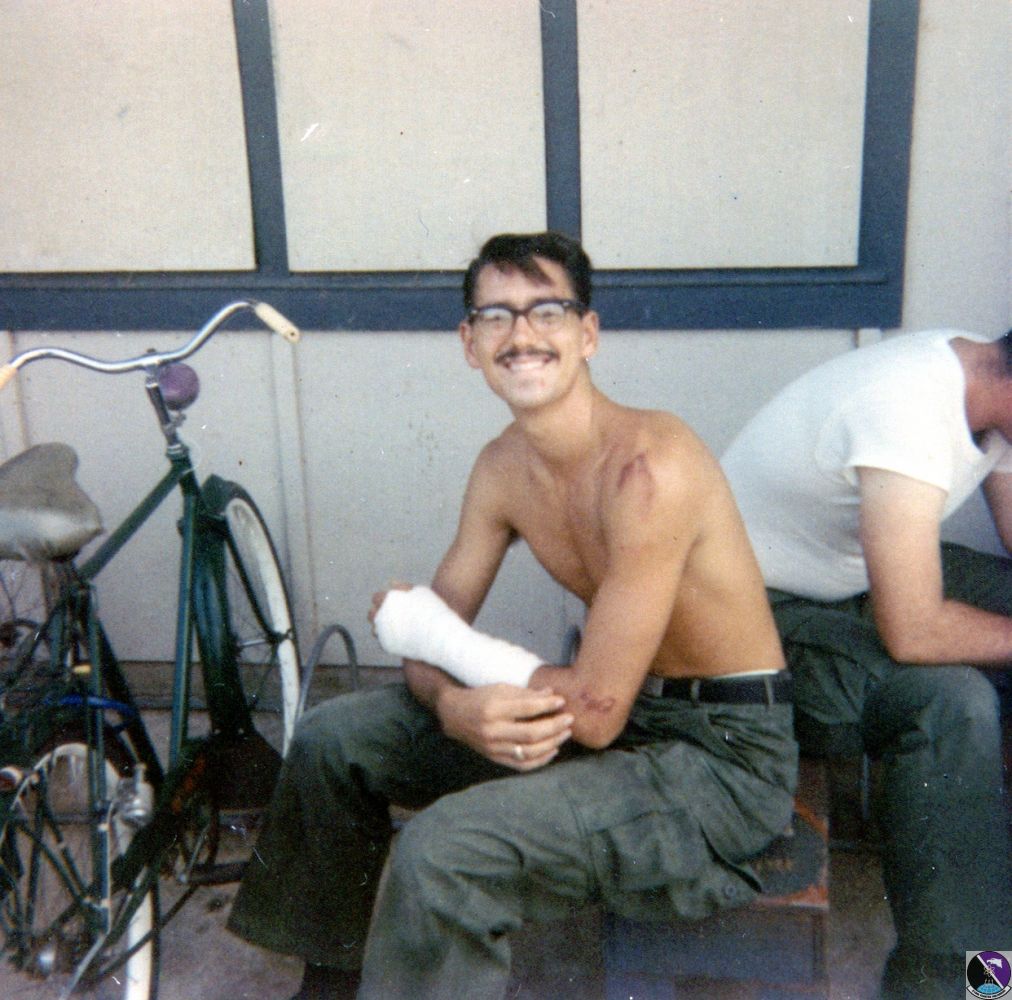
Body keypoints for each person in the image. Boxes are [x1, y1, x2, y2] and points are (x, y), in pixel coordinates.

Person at [228, 232, 797, 1000]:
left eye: (546, 311)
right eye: (496, 316)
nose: (522, 335)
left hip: (719, 759)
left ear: (588, 333)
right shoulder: (502, 468)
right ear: (469, 344)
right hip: (618, 716)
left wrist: (454, 665)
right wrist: (453, 707)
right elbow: (428, 637)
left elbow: (591, 712)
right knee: (334, 739)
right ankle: (330, 984)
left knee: (444, 851)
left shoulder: (651, 467)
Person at [722, 328, 1012, 999]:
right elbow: (914, 632)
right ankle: (958, 984)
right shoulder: (907, 407)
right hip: (757, 624)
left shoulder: (988, 385)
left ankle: (986, 884)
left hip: (843, 581)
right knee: (952, 703)